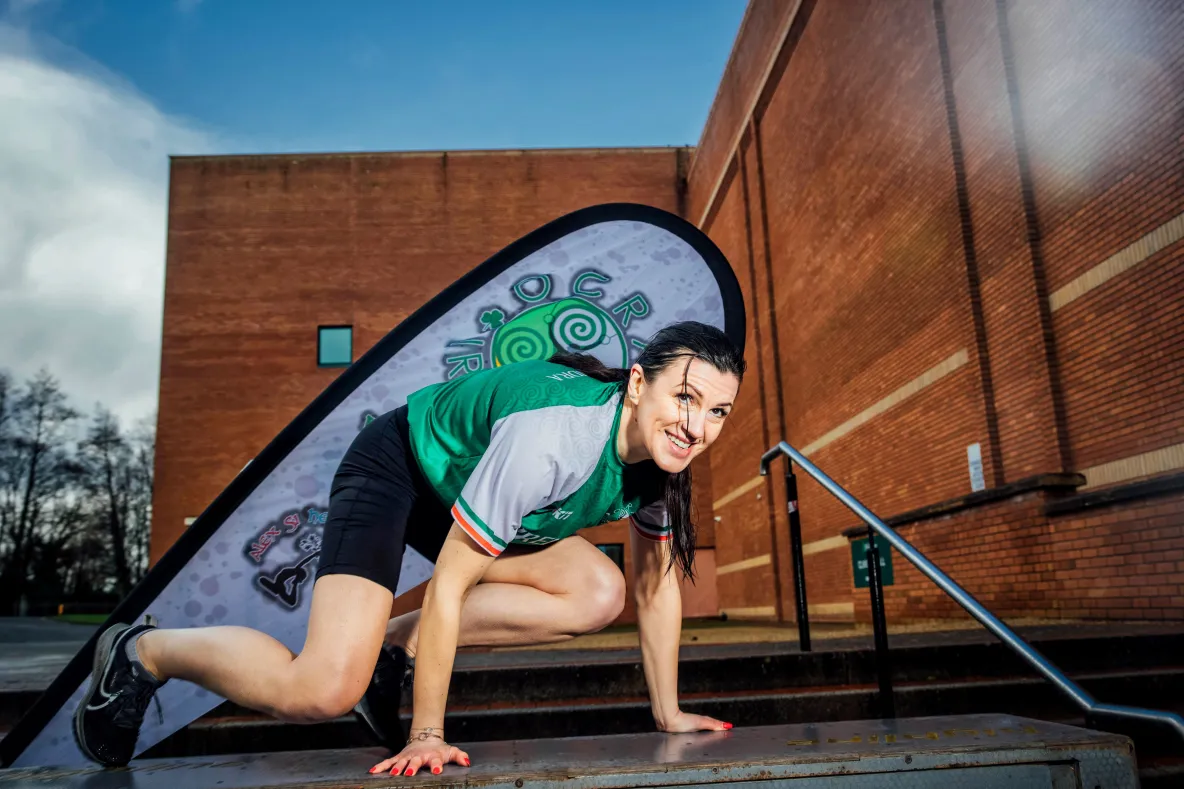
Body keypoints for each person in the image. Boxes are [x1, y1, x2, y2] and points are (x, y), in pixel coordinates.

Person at [73, 321, 746, 776]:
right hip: (400, 469)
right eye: (684, 397)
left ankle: (390, 648)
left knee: (600, 590)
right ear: (637, 385)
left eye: (717, 411)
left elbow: (655, 586)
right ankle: (142, 649)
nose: (697, 425)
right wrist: (427, 732)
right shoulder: (554, 439)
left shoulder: (663, 461)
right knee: (321, 689)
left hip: (467, 488)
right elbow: (451, 585)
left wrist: (668, 711)